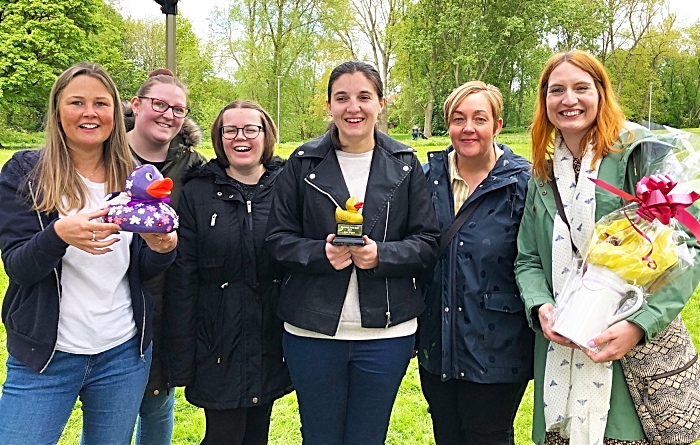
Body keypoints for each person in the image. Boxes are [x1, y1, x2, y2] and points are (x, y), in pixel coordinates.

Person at [515, 49, 700, 445]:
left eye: (581, 87)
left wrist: (638, 325)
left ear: (601, 92)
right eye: (556, 90)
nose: (569, 100)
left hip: (631, 364)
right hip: (560, 359)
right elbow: (527, 259)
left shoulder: (641, 154)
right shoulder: (543, 175)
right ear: (544, 101)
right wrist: (542, 307)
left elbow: (689, 248)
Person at [0, 62, 177, 444]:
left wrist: (162, 248)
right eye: (76, 102)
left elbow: (142, 269)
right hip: (46, 358)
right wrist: (59, 234)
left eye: (101, 103)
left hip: (122, 354)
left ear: (115, 111)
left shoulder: (133, 176)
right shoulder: (26, 172)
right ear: (57, 110)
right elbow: (19, 267)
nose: (90, 113)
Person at [265, 60, 440, 445]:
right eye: (341, 98)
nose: (353, 107)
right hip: (311, 330)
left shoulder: (406, 164)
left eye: (364, 97)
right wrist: (318, 254)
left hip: (386, 333)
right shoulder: (302, 163)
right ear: (329, 105)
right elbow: (276, 239)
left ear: (380, 103)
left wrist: (383, 256)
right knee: (319, 436)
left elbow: (427, 242)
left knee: (368, 437)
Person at [166, 100, 293, 445]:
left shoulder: (286, 188)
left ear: (266, 136)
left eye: (251, 129)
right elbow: (183, 277)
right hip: (215, 339)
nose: (241, 137)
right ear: (219, 138)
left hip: (269, 335)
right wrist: (180, 355)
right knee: (224, 435)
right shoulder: (197, 191)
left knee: (256, 434)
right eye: (231, 130)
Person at [418, 80, 534, 445]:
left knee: (489, 435)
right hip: (437, 343)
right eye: (458, 118)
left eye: (479, 118)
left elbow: (534, 259)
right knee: (446, 433)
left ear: (497, 126)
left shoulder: (524, 183)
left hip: (498, 349)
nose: (468, 128)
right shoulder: (425, 179)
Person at [125, 68, 206, 445]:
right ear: (136, 104)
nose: (168, 114)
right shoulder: (103, 153)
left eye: (178, 108)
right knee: (113, 406)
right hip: (107, 300)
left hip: (165, 300)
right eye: (159, 104)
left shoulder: (192, 167)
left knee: (157, 401)